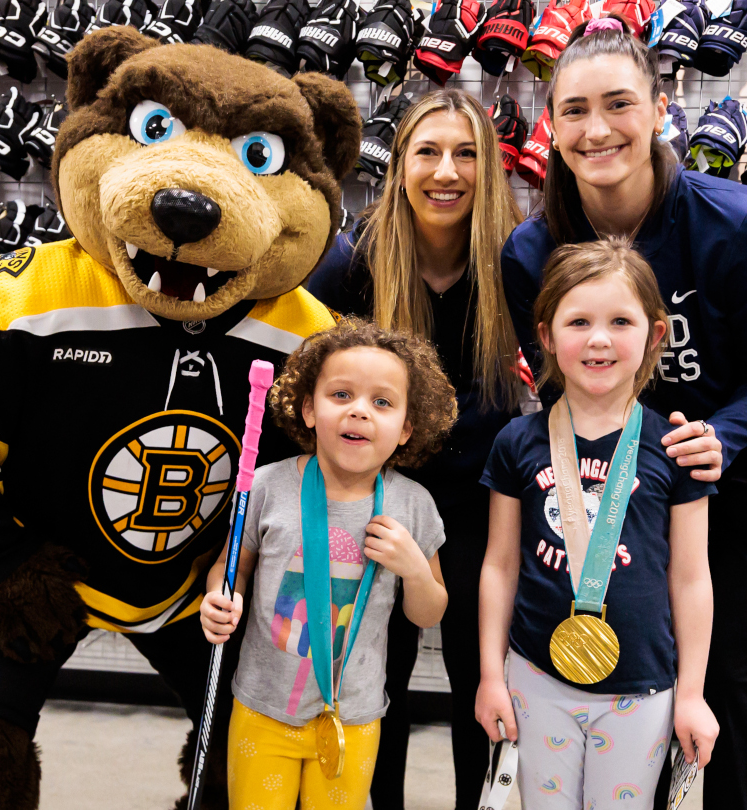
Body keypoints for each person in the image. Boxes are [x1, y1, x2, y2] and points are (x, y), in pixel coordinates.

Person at [500, 17, 747, 810]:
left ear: (659, 105)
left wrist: (719, 436)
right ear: (553, 125)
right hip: (629, 486)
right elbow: (556, 388)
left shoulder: (745, 226)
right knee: (638, 670)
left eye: (618, 103)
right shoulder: (530, 253)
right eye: (574, 110)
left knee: (731, 681)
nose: (597, 128)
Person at [307, 88, 525, 810]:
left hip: (480, 504)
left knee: (479, 673)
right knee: (376, 676)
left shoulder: (517, 259)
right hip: (377, 502)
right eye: (428, 151)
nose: (446, 171)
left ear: (489, 168)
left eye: (466, 153)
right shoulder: (353, 262)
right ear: (400, 164)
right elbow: (306, 376)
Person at [476, 238, 719, 808]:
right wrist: (491, 675)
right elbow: (500, 565)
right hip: (536, 679)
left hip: (643, 686)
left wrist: (692, 693)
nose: (600, 339)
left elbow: (690, 578)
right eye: (578, 321)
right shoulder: (517, 443)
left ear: (655, 335)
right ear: (546, 336)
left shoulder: (674, 447)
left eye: (620, 321)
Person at [199, 318, 454, 810]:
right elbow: (234, 566)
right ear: (309, 410)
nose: (360, 411)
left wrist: (415, 570)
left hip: (353, 718)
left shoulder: (412, 506)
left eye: (382, 402)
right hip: (261, 708)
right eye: (341, 395)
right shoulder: (267, 486)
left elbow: (430, 613)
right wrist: (220, 595)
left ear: (405, 429)